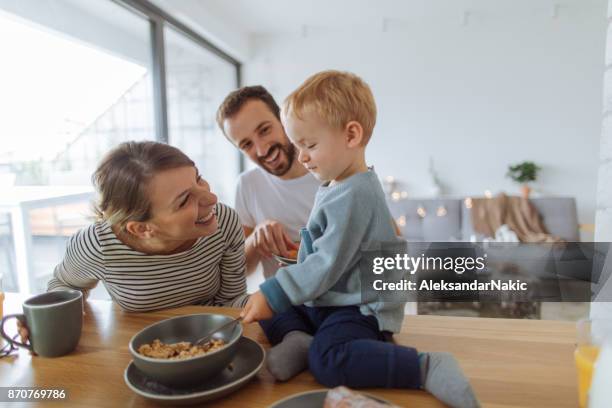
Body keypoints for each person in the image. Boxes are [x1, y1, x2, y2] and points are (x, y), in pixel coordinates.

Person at [241, 70, 480, 408]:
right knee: (271, 305)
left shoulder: (355, 194)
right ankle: (298, 338)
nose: (302, 157)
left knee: (328, 359)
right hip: (332, 299)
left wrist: (280, 288)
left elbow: (327, 263)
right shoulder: (336, 184)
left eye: (309, 145)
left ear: (351, 135)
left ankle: (423, 366)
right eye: (298, 146)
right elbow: (329, 250)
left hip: (360, 308)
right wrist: (301, 258)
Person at [46, 141, 249, 311]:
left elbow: (230, 303)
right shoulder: (98, 245)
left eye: (198, 178)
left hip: (209, 338)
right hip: (134, 346)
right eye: (185, 200)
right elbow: (64, 286)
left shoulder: (224, 222)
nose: (212, 198)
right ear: (142, 229)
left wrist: (271, 300)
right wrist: (47, 318)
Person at [216, 86, 320, 279]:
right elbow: (239, 269)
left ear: (283, 120)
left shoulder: (333, 171)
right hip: (283, 302)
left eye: (264, 130)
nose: (262, 150)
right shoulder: (248, 185)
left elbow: (387, 248)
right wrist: (256, 239)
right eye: (247, 144)